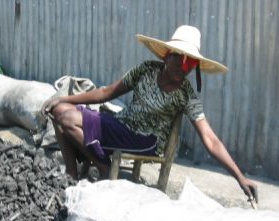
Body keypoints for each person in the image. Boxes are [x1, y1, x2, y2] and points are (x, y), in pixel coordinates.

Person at [42, 25, 258, 203]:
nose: (184, 68)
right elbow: (106, 93)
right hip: (120, 124)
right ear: (166, 56)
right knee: (58, 110)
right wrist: (63, 98)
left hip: (145, 139)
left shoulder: (187, 95)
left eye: (191, 64)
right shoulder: (146, 70)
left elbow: (210, 139)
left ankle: (103, 167)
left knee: (67, 119)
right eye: (180, 60)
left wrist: (240, 177)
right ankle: (71, 172)